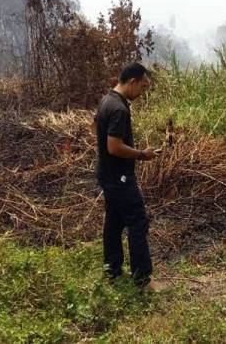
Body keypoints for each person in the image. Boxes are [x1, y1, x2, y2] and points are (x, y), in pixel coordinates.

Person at [94, 62, 158, 287]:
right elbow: (114, 146)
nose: (142, 93)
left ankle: (112, 268)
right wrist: (142, 154)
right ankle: (142, 277)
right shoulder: (119, 109)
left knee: (114, 221)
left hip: (107, 174)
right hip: (119, 177)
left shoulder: (107, 100)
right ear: (133, 81)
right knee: (137, 221)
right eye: (142, 87)